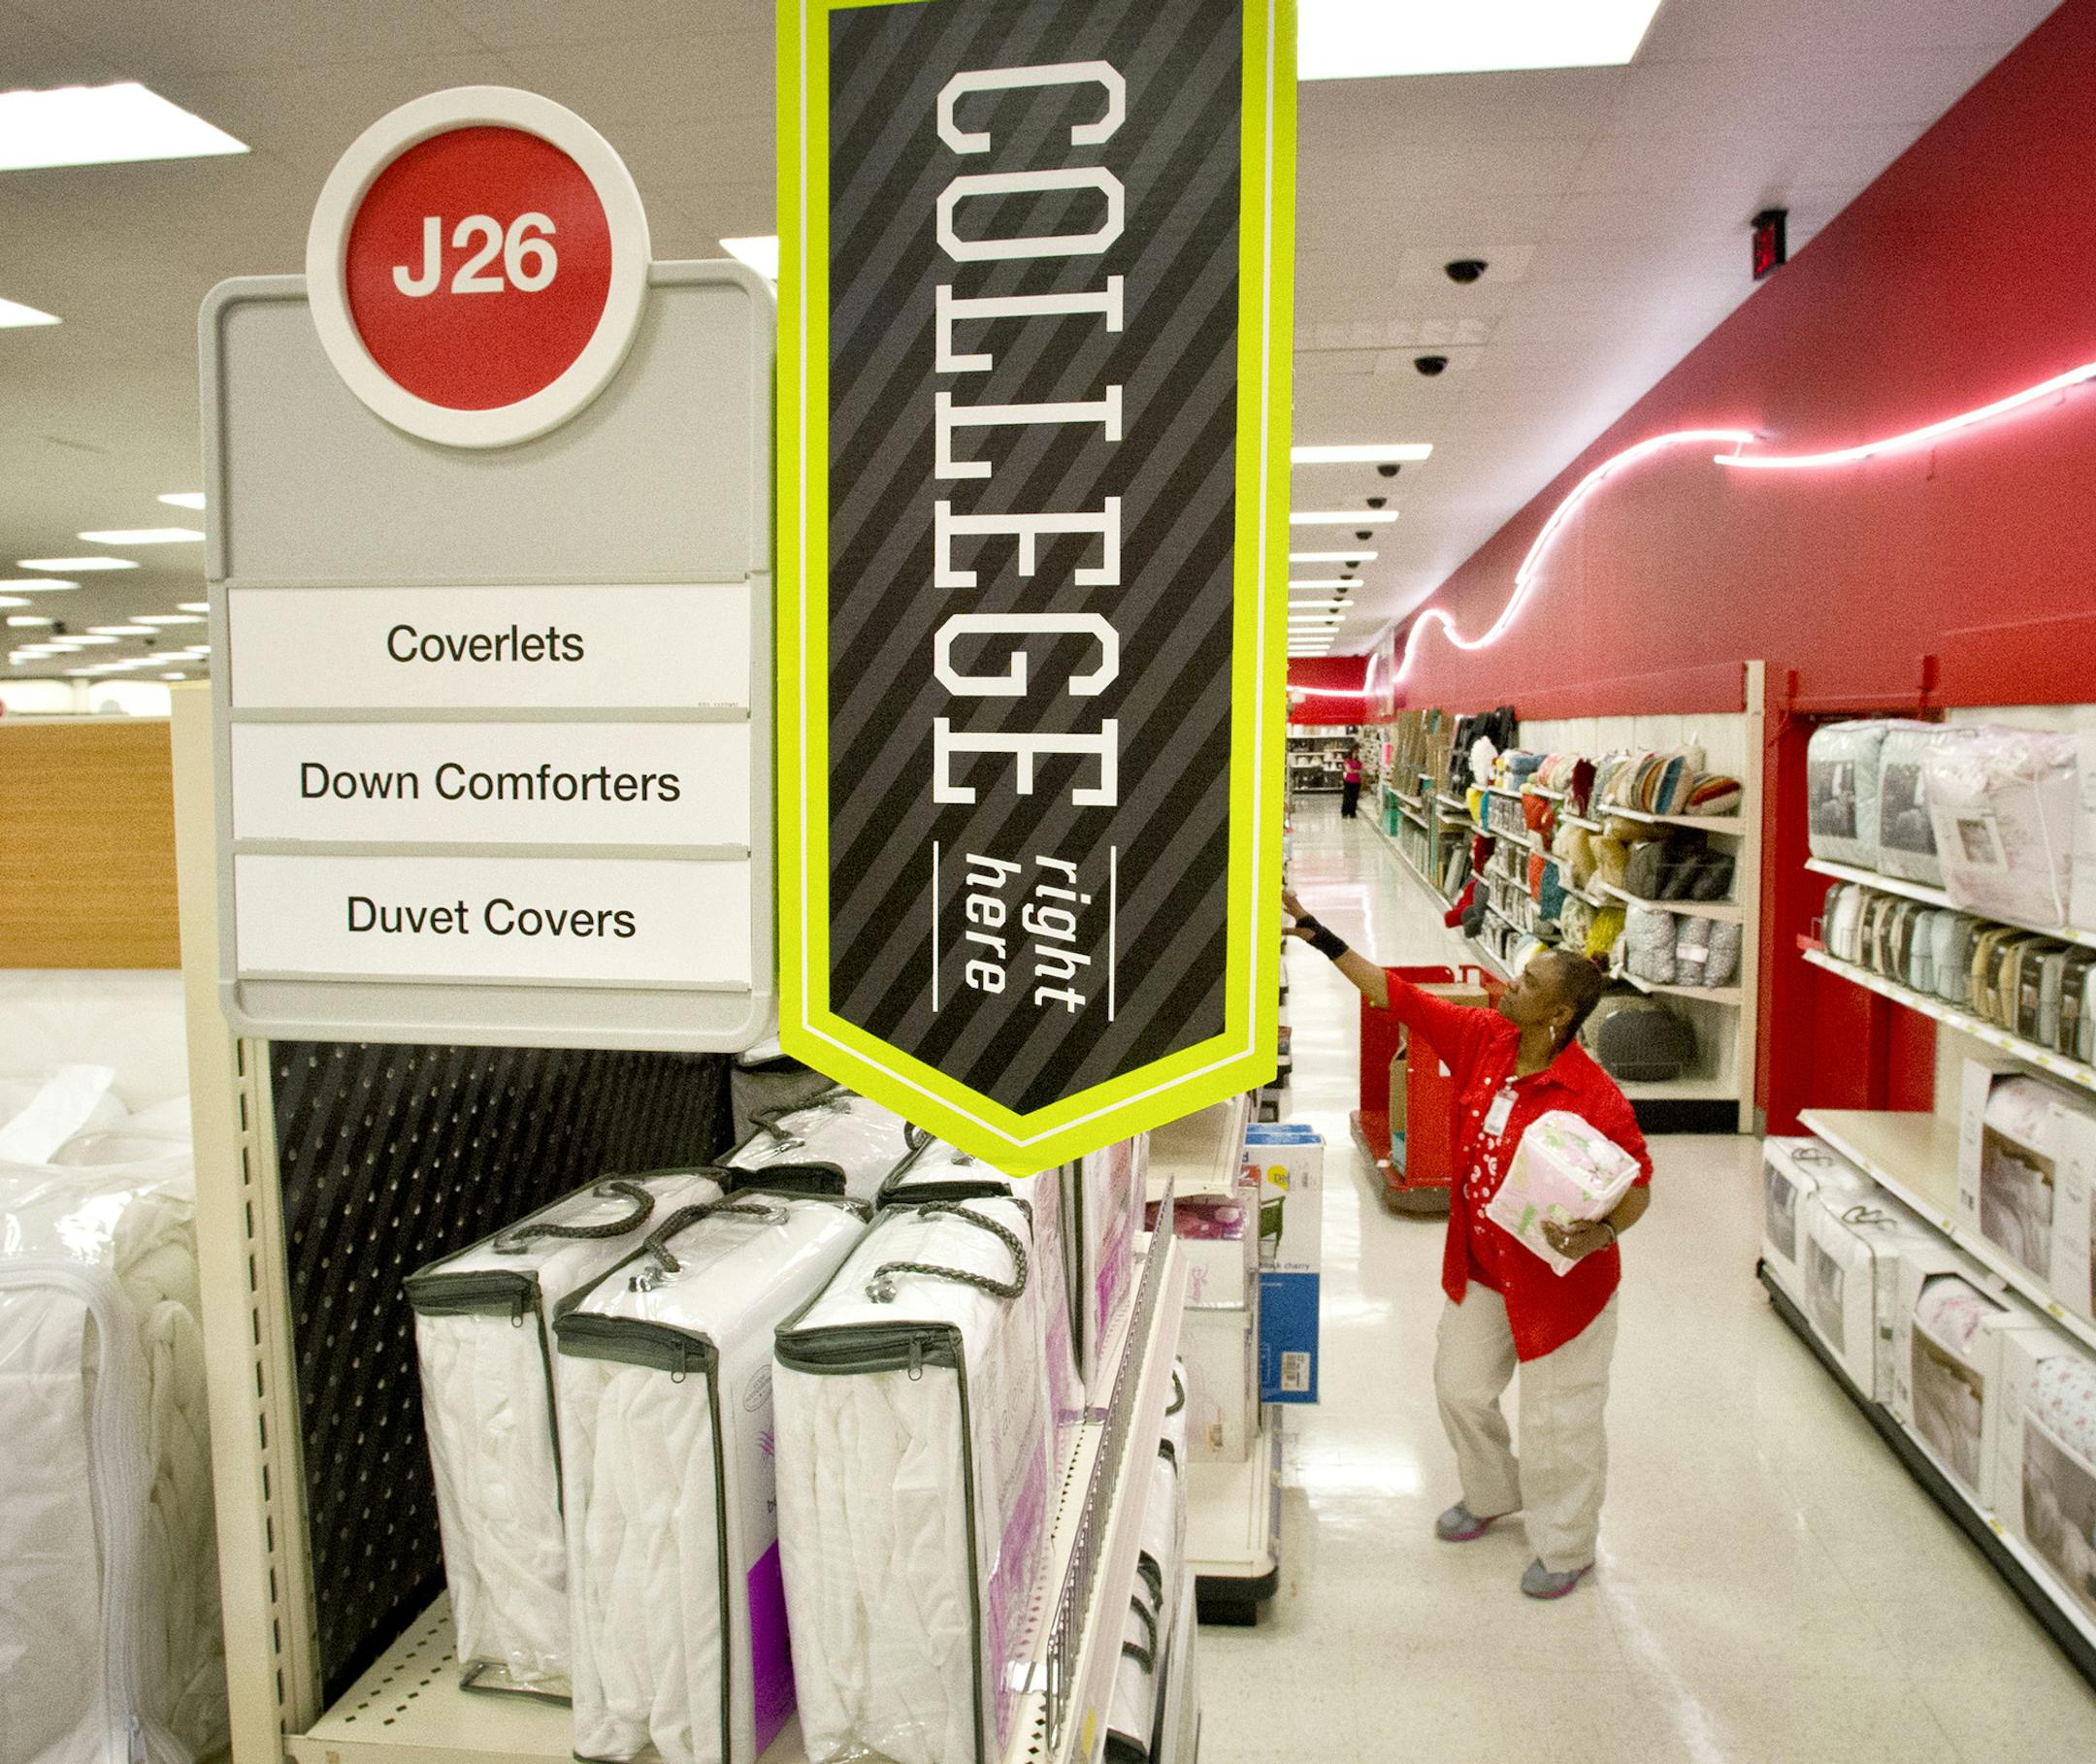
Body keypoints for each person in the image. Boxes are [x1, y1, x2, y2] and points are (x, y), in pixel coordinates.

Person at [1283, 888, 1652, 1599]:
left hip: (1563, 1287)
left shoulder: (1592, 1096)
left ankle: (1568, 1545)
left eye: (1530, 984)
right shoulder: (1486, 1039)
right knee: (1459, 1386)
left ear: (1560, 1016)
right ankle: (1491, 1491)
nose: (1511, 984)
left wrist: (1600, 1232)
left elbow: (1638, 1188)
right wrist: (1319, 935)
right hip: (1483, 1265)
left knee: (1559, 1420)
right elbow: (1396, 996)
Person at [1339, 748, 1363, 819]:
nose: (1355, 755)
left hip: (1357, 781)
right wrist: (1357, 771)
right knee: (1347, 797)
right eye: (1354, 753)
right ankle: (1345, 812)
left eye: (1356, 753)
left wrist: (1355, 771)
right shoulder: (1347, 761)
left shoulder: (1359, 762)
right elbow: (1349, 770)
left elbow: (1362, 770)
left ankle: (1352, 812)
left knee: (1354, 798)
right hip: (1349, 781)